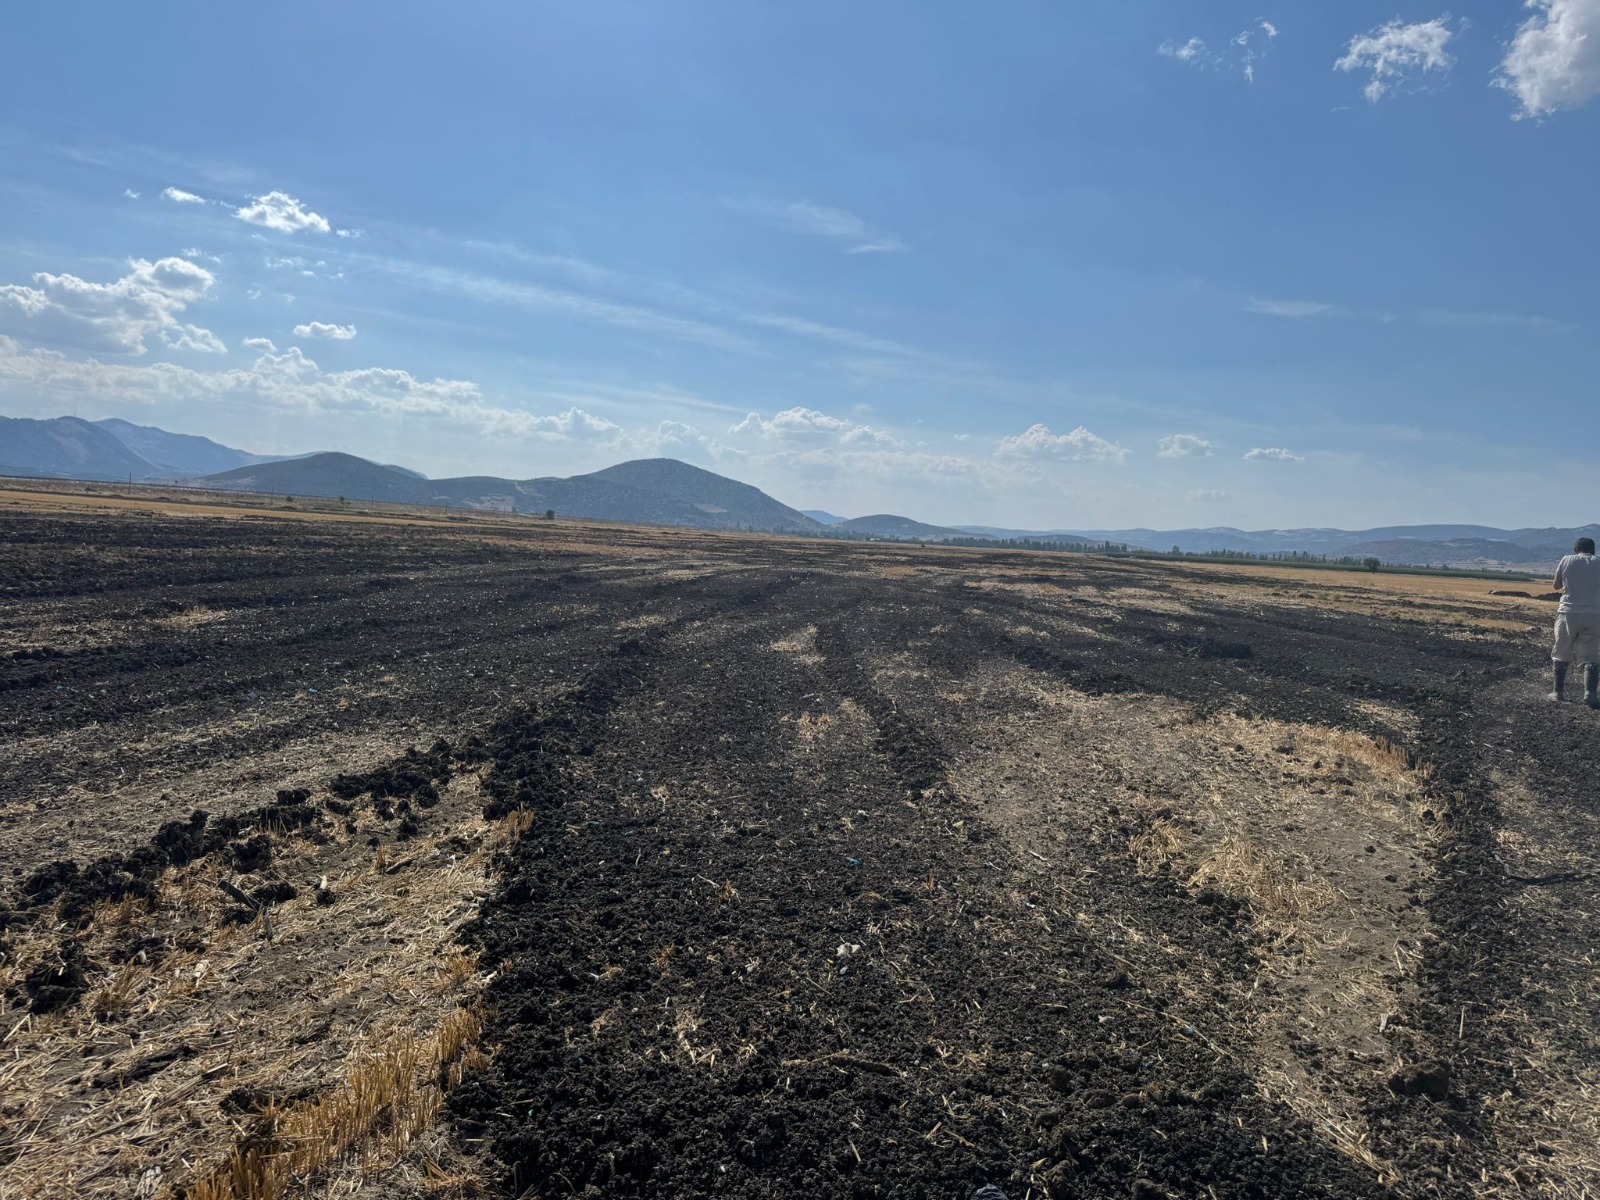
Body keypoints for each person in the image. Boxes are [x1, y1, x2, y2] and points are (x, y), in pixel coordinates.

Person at [1550, 536, 1600, 706]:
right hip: (1595, 614)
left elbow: (1556, 585)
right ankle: (1590, 694)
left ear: (1575, 549)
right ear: (1593, 550)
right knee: (1590, 655)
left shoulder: (1567, 560)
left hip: (1568, 612)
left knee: (1562, 650)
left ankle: (1557, 693)